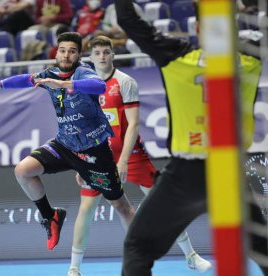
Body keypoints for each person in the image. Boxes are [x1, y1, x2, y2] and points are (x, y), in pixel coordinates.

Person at [114, 0, 268, 275]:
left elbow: (128, 19)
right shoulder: (249, 54)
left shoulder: (174, 55)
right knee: (266, 255)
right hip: (230, 172)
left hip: (185, 177)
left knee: (138, 246)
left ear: (196, 26)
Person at [0, 32, 136, 251]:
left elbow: (99, 87)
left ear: (79, 55)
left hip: (93, 150)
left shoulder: (85, 73)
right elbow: (27, 80)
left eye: (72, 51)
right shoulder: (50, 73)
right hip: (65, 145)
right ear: (57, 52)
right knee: (23, 171)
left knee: (120, 205)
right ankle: (51, 216)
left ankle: (140, 249)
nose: (66, 55)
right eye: (62, 50)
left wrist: (64, 85)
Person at [67, 35, 212, 276]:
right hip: (98, 155)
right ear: (90, 58)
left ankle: (191, 255)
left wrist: (123, 159)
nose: (102, 56)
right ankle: (74, 268)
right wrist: (77, 162)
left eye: (106, 52)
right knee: (86, 208)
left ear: (113, 54)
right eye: (98, 53)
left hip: (130, 152)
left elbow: (133, 125)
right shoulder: (83, 85)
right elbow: (78, 124)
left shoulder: (125, 82)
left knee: (163, 202)